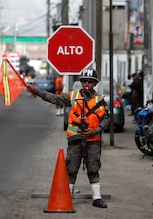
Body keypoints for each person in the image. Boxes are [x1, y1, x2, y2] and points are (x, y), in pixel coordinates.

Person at [26, 69, 110, 208]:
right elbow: (53, 98)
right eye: (83, 81)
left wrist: (96, 130)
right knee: (71, 168)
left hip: (93, 141)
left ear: (95, 83)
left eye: (89, 82)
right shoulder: (73, 96)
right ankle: (66, 196)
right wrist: (37, 90)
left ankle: (97, 197)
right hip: (75, 141)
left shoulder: (100, 100)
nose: (86, 84)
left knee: (93, 168)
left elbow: (107, 119)